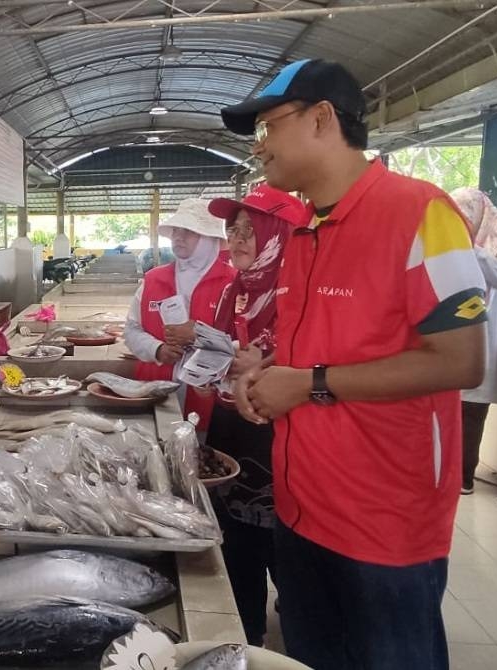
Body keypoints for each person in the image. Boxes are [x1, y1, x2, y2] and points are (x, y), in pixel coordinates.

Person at [222, 58, 487, 670]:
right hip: (301, 510)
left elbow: (461, 360)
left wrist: (308, 385)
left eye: (268, 128)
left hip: (384, 525)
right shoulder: (305, 234)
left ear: (321, 119)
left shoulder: (422, 213)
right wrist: (263, 373)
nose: (260, 150)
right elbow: (322, 350)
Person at [202, 184, 305, 646]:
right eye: (234, 229)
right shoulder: (234, 290)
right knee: (237, 537)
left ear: (279, 233)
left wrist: (264, 365)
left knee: (282, 539)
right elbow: (223, 354)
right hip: (232, 425)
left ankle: (300, 621)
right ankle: (247, 635)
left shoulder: (303, 293)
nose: (238, 238)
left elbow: (316, 363)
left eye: (251, 230)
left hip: (282, 434)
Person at [124, 198, 235, 430]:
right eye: (176, 230)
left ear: (209, 239)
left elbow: (241, 343)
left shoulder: (233, 283)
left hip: (207, 401)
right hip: (155, 393)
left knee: (202, 456)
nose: (178, 237)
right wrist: (157, 349)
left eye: (189, 231)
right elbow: (132, 329)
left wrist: (198, 336)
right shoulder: (154, 279)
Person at [448, 188, 497, 494]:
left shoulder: (481, 250)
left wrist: (473, 250)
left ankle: (463, 477)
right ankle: (459, 473)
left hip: (488, 341)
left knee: (470, 413)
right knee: (465, 411)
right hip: (475, 337)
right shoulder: (476, 249)